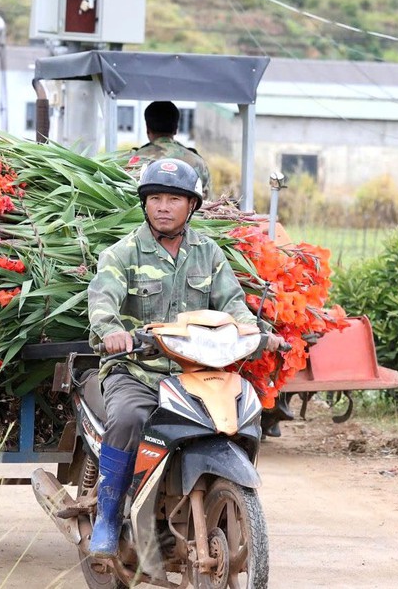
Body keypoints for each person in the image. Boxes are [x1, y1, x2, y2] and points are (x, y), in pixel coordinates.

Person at [85, 157, 279, 559]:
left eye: (174, 198)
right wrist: (112, 332)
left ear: (191, 205)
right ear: (144, 204)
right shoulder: (122, 253)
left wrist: (257, 332)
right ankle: (107, 515)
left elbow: (233, 304)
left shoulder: (208, 254)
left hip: (196, 371)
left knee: (242, 414)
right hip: (138, 371)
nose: (163, 206)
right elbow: (103, 300)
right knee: (128, 418)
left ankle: (221, 503)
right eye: (155, 197)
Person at [124, 101, 212, 199]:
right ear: (176, 129)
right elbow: (207, 203)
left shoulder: (132, 160)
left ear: (147, 129)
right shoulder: (197, 162)